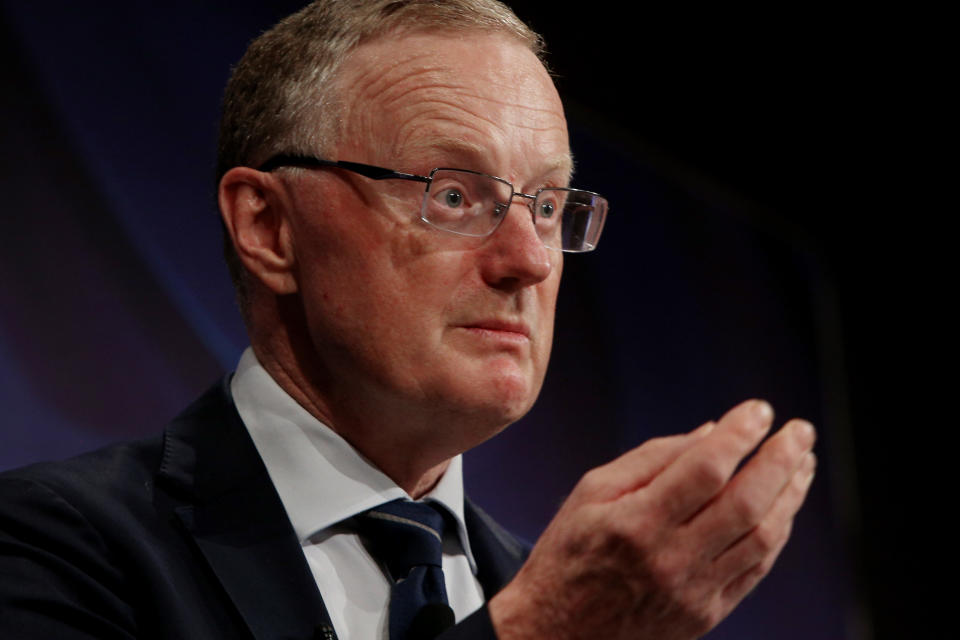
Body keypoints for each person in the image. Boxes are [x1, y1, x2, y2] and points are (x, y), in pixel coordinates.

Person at [0, 1, 817, 639]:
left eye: (547, 206)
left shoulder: (555, 592)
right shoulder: (57, 547)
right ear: (269, 229)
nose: (527, 261)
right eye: (455, 196)